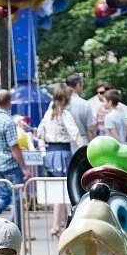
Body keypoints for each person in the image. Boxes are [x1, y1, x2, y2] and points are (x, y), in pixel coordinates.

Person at [37, 84, 82, 237]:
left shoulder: (48, 114)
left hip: (51, 153)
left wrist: (43, 152)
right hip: (63, 152)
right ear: (66, 99)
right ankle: (72, 223)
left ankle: (56, 225)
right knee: (68, 189)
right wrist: (85, 151)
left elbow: (39, 134)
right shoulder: (65, 115)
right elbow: (75, 134)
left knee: (59, 191)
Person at [0, 89, 29, 231]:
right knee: (17, 199)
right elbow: (14, 147)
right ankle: (16, 229)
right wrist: (25, 168)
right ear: (9, 103)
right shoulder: (8, 121)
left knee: (4, 197)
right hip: (10, 165)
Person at [65, 73, 96, 144]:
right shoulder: (85, 104)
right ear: (78, 85)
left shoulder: (56, 103)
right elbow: (90, 129)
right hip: (81, 142)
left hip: (63, 143)